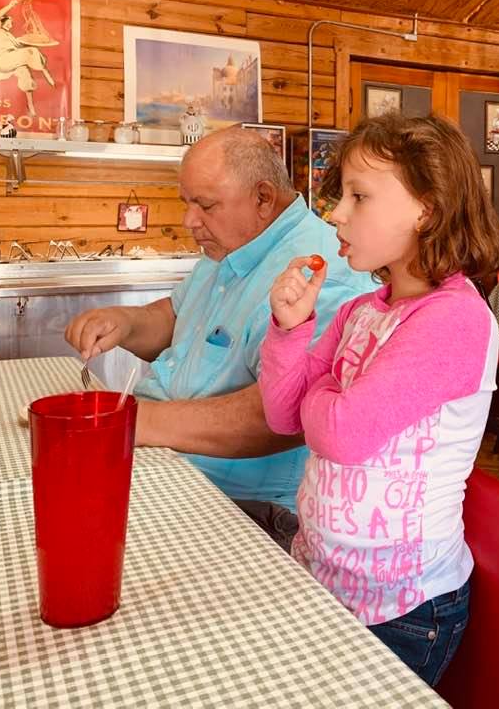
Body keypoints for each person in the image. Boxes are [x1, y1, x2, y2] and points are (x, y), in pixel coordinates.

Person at [258, 113, 499, 685]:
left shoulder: (454, 319)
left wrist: (324, 394)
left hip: (403, 608)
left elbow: (339, 435)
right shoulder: (361, 311)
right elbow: (281, 414)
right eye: (341, 194)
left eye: (359, 196)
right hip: (321, 574)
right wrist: (291, 328)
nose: (336, 213)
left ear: (428, 208)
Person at [65, 127, 374, 540]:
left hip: (241, 506)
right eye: (187, 203)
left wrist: (136, 423)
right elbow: (178, 318)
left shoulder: (319, 273)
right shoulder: (228, 241)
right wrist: (125, 322)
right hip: (165, 464)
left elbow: (282, 415)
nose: (189, 220)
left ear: (263, 198)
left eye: (205, 205)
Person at [0, 0, 55, 116]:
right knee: (31, 51)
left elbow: (19, 46)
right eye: (9, 22)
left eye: (11, 22)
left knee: (24, 72)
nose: (11, 24)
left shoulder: (10, 36)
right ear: (2, 22)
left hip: (9, 61)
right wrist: (10, 5)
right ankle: (48, 77)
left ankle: (31, 107)